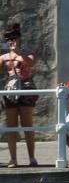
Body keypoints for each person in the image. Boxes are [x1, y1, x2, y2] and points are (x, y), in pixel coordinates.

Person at [2, 23, 38, 168]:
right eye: (9, 38)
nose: (11, 40)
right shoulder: (4, 57)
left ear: (19, 38)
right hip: (10, 90)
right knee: (11, 127)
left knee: (27, 125)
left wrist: (17, 52)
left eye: (14, 37)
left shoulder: (27, 52)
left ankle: (32, 157)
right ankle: (13, 159)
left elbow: (32, 62)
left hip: (26, 88)